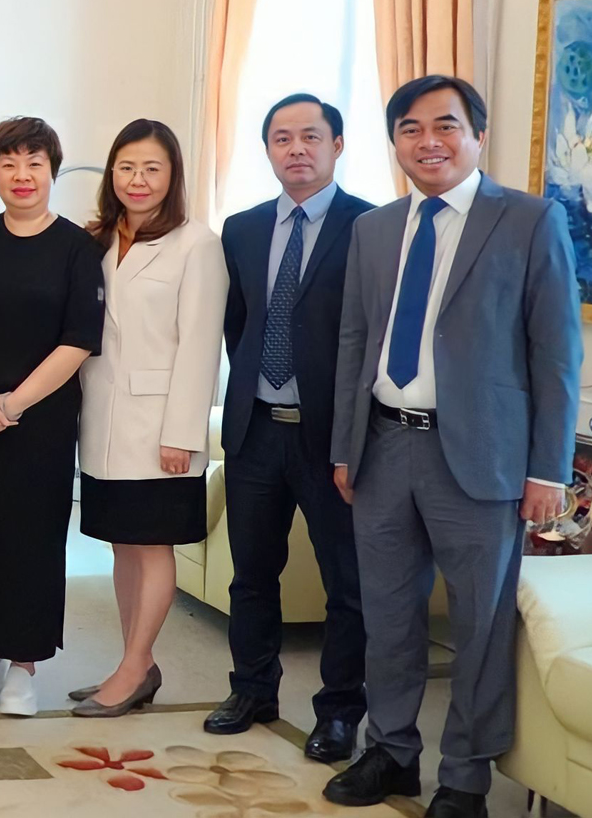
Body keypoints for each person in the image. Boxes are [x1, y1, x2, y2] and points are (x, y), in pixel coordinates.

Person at [322, 76, 579, 818]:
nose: (427, 140)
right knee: (390, 617)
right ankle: (393, 751)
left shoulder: (530, 221)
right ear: (395, 140)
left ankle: (465, 777)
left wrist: (547, 469)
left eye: (445, 125)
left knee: (479, 626)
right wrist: (345, 447)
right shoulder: (375, 228)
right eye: (410, 127)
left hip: (485, 461)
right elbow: (355, 343)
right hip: (382, 447)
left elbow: (555, 354)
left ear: (477, 135)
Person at [209, 94, 373, 760]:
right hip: (255, 430)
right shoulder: (242, 227)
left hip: (330, 435)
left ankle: (338, 712)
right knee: (251, 573)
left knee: (348, 585)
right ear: (268, 149)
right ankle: (252, 687)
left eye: (310, 136)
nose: (296, 148)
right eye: (282, 137)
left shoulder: (372, 225)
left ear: (338, 144)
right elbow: (239, 322)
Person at [0, 117, 101, 719]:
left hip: (42, 424)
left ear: (52, 171)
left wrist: (11, 404)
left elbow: (78, 340)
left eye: (34, 162)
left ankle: (24, 665)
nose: (22, 174)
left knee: (29, 541)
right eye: (9, 163)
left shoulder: (77, 248)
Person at [74, 119, 226, 718]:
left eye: (152, 168)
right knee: (121, 544)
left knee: (152, 545)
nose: (138, 180)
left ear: (173, 177)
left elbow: (200, 345)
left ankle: (136, 666)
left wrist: (183, 435)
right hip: (102, 419)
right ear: (112, 173)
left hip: (161, 424)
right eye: (127, 167)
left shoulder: (197, 243)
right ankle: (132, 662)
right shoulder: (97, 240)